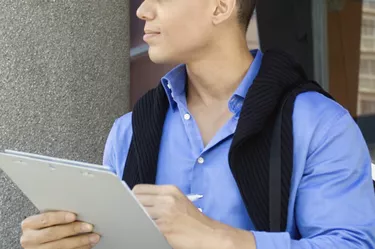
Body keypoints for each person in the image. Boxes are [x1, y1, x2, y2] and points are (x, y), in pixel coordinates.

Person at [20, 0, 375, 248]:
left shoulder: (321, 126)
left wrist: (218, 238)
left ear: (220, 6)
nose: (143, 10)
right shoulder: (128, 132)